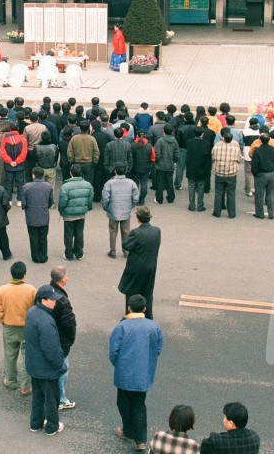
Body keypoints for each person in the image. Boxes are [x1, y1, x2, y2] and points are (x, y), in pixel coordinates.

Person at [110, 294, 164, 451]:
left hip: (124, 373)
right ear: (145, 309)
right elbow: (158, 349)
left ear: (129, 308)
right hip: (143, 374)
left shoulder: (122, 326)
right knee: (139, 405)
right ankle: (141, 440)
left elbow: (114, 352)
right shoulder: (154, 326)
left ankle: (128, 430)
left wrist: (118, 364)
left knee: (123, 403)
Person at [24, 284, 67, 436]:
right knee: (51, 399)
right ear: (43, 300)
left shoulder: (31, 312)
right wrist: (60, 366)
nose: (55, 302)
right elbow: (51, 349)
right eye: (52, 299)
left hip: (33, 366)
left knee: (37, 397)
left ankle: (35, 424)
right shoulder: (46, 321)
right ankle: (52, 427)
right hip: (47, 370)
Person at [0, 260, 35, 396]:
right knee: (27, 356)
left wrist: (4, 321)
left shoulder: (3, 290)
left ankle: (10, 381)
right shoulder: (31, 290)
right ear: (24, 275)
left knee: (10, 355)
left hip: (9, 327)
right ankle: (26, 386)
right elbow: (36, 308)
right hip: (27, 327)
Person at [117, 206, 161, 320]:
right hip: (151, 267)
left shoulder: (136, 233)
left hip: (136, 268)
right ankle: (149, 314)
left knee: (131, 291)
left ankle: (130, 314)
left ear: (138, 219)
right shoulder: (157, 231)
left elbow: (126, 245)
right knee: (147, 292)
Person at [49, 266, 77, 412]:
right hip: (61, 341)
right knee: (62, 370)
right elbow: (69, 324)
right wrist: (71, 339)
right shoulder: (63, 300)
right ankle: (60, 399)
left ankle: (53, 395)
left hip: (49, 337)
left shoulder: (46, 292)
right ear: (63, 279)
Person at [102, 163, 139, 259]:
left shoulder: (109, 183)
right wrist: (130, 206)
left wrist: (106, 208)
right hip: (126, 210)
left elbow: (105, 198)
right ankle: (126, 251)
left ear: (115, 171)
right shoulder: (131, 183)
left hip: (113, 210)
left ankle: (113, 251)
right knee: (126, 231)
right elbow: (136, 198)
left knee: (113, 231)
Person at [57, 164, 92, 261]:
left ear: (70, 173)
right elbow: (90, 200)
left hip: (68, 214)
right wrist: (86, 208)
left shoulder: (65, 186)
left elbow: (62, 202)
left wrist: (61, 210)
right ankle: (79, 253)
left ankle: (69, 254)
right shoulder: (88, 185)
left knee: (68, 235)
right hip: (81, 213)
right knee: (79, 233)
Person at [22, 167, 53, 264]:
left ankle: (35, 257)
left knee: (33, 237)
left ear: (33, 175)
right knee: (43, 237)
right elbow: (51, 201)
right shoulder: (48, 186)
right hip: (43, 215)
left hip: (31, 215)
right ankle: (43, 256)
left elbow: (24, 203)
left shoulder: (26, 187)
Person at [211, 130, 242, 219]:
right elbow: (239, 159)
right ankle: (232, 213)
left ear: (223, 138)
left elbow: (213, 158)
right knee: (231, 193)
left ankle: (217, 212)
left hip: (219, 173)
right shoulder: (236, 149)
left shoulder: (216, 148)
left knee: (218, 193)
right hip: (231, 173)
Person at [250, 133, 274, 220]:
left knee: (259, 194)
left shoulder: (257, 151)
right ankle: (271, 213)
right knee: (270, 194)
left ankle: (260, 213)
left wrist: (255, 173)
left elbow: (254, 165)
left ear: (260, 140)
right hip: (271, 173)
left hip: (261, 174)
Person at [185, 127, 210, 212]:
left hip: (191, 167)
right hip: (202, 167)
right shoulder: (206, 143)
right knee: (200, 187)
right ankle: (200, 205)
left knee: (191, 186)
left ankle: (191, 205)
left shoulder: (189, 142)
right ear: (202, 134)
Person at [153, 124, 179, 204]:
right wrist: (174, 161)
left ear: (163, 131)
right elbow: (176, 153)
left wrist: (156, 161)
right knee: (169, 182)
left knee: (160, 183)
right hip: (170, 164)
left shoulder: (160, 140)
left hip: (161, 165)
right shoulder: (174, 141)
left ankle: (159, 198)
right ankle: (171, 197)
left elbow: (157, 154)